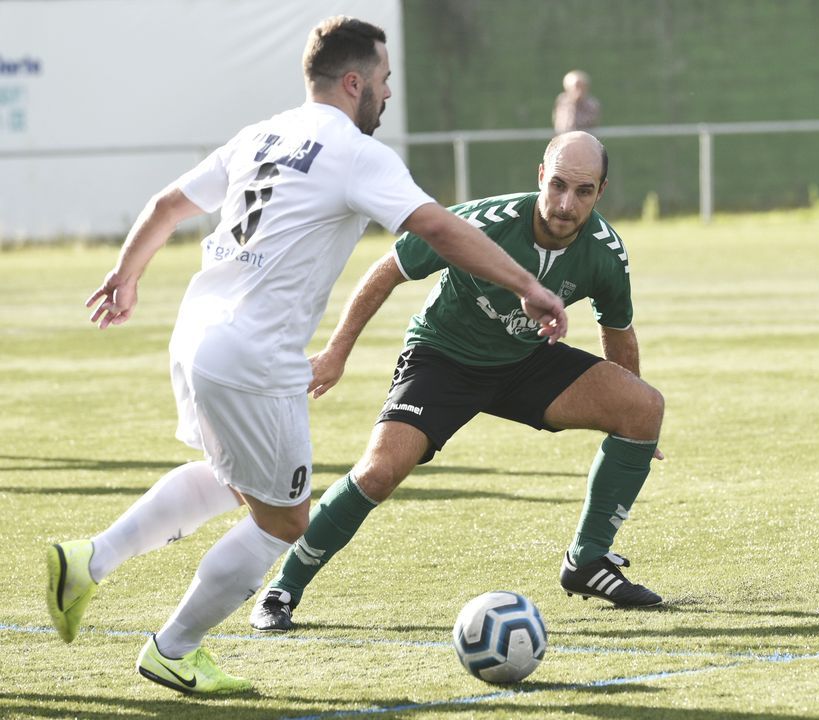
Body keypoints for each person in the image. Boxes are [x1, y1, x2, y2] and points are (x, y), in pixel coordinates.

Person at [45, 16, 567, 695]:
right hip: (256, 357)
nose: (388, 93)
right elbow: (439, 227)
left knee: (236, 479)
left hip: (197, 333)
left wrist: (128, 274)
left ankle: (90, 560)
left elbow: (168, 203)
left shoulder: (260, 134)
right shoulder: (355, 153)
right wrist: (528, 284)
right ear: (354, 82)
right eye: (383, 80)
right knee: (287, 519)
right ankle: (173, 648)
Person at [248, 131, 665, 634]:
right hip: (443, 358)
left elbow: (616, 330)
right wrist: (337, 352)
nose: (564, 203)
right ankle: (282, 589)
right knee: (379, 473)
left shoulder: (604, 251)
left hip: (526, 361)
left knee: (643, 408)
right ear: (540, 176)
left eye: (582, 191)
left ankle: (587, 563)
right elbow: (389, 269)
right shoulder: (482, 224)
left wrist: (633, 426)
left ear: (601, 191)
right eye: (556, 185)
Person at [552, 69, 601, 135]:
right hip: (564, 138)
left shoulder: (591, 103)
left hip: (584, 139)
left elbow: (589, 122)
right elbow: (561, 122)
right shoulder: (562, 100)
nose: (580, 89)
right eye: (577, 86)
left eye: (583, 86)